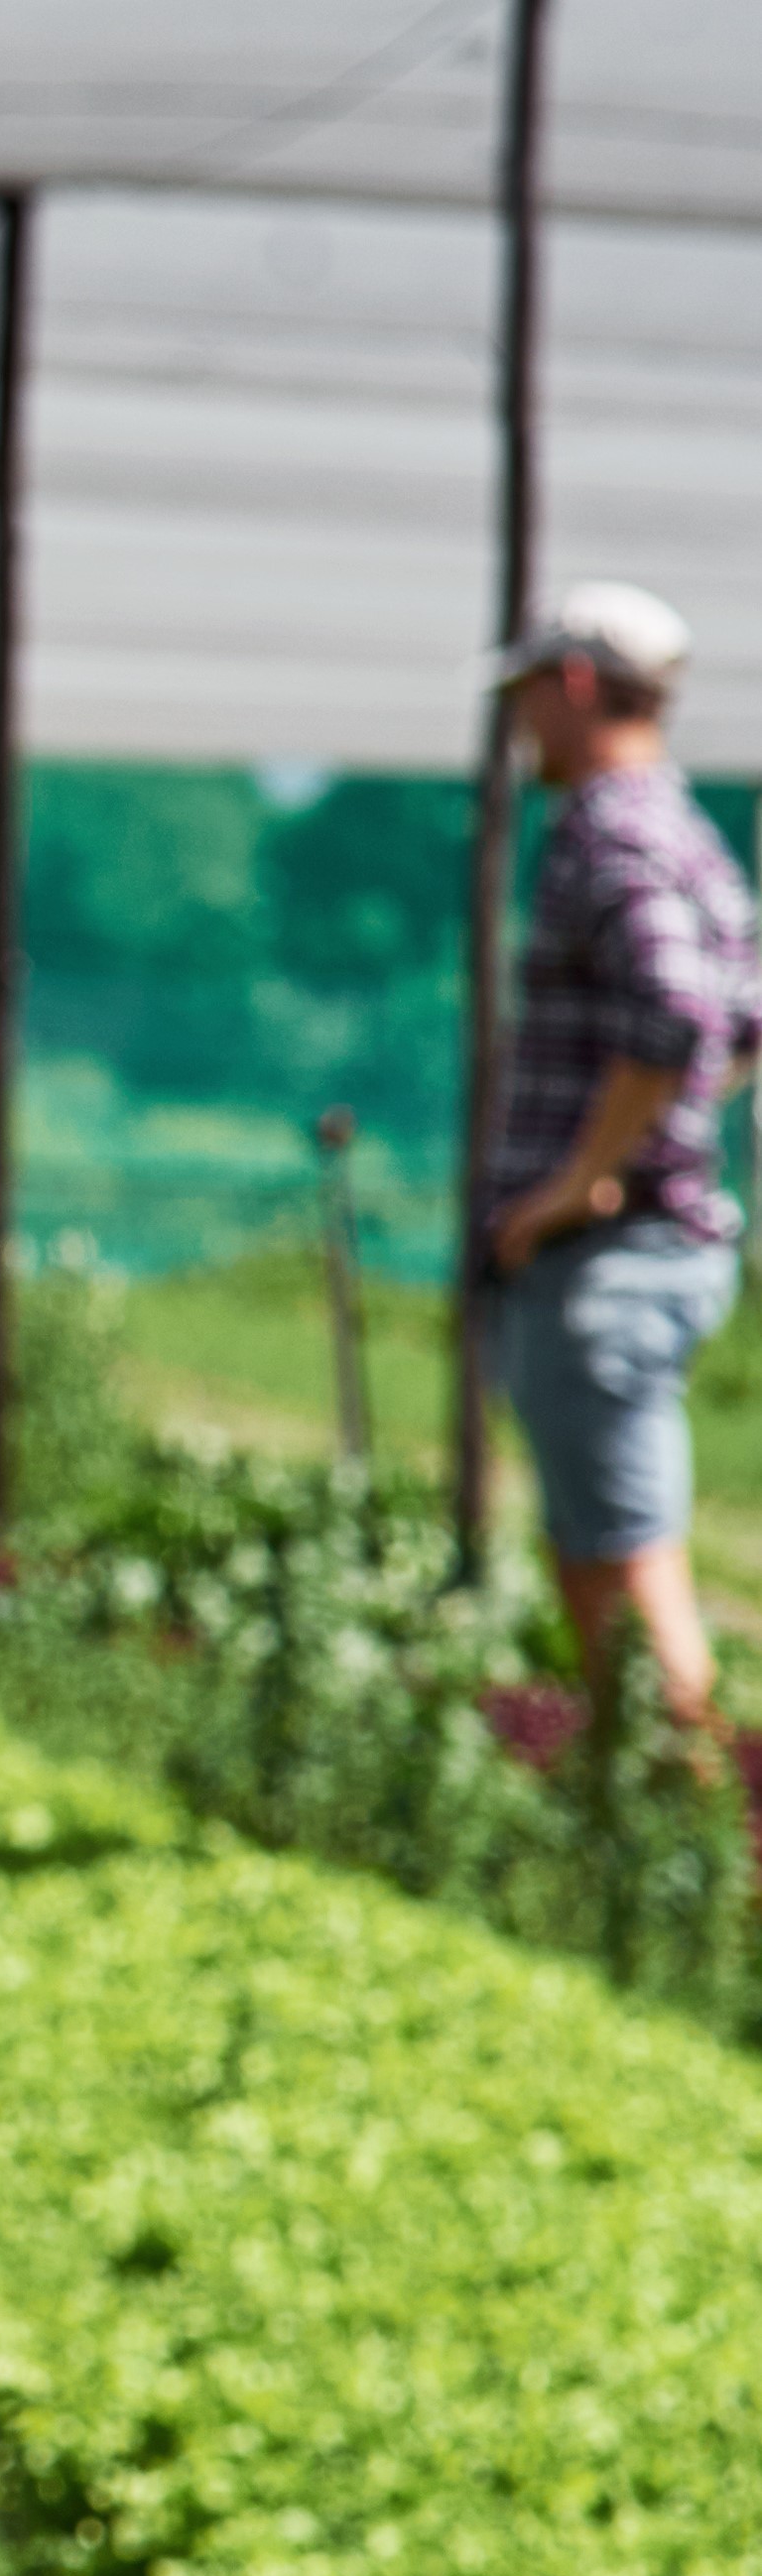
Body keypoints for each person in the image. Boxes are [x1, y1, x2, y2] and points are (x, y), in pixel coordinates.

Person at [479, 580, 760, 1735]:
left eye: (526, 695)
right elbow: (736, 1019)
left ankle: (675, 1828)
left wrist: (582, 1177)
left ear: (576, 683)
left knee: (612, 1559)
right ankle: (648, 1811)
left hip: (611, 1253)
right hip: (654, 1244)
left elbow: (679, 1012)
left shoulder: (609, 826)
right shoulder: (680, 826)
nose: (517, 723)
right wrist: (670, 1123)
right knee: (614, 1536)